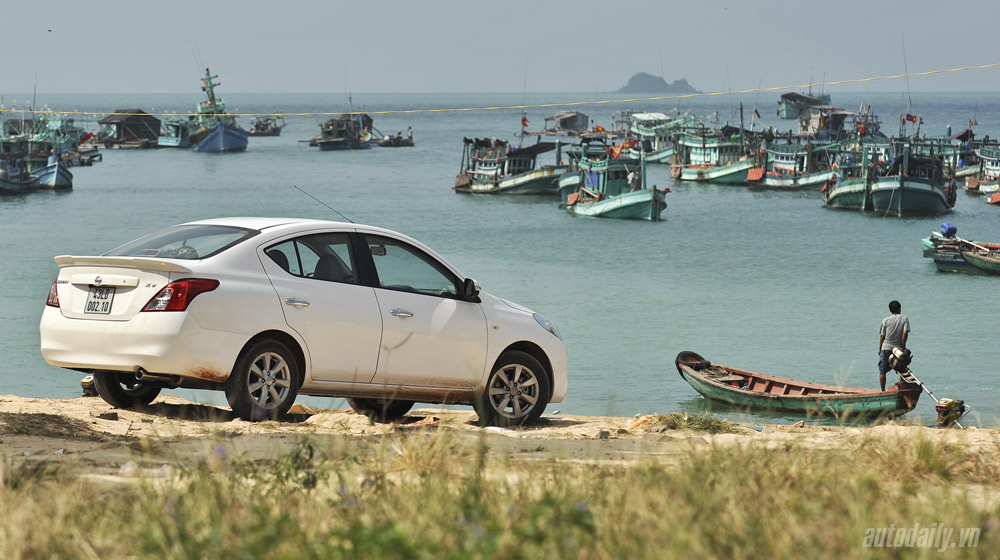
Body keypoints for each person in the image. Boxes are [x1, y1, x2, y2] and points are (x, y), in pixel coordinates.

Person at [878, 300, 910, 391]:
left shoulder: (885, 320)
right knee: (902, 369)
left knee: (882, 371)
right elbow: (905, 333)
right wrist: (903, 347)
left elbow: (882, 336)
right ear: (900, 309)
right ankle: (906, 388)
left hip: (886, 348)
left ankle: (882, 391)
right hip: (898, 349)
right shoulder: (904, 318)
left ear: (890, 310)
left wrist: (879, 349)